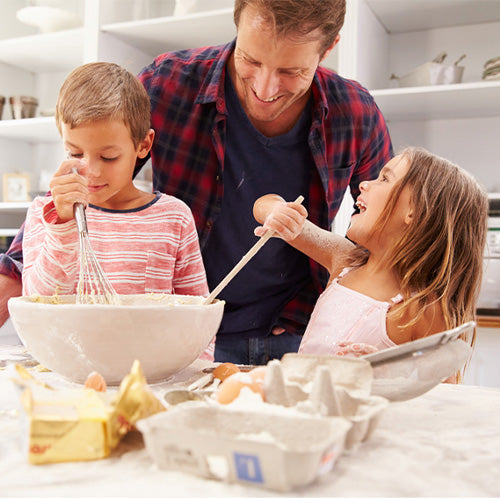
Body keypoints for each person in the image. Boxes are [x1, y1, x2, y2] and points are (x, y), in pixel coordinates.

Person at [0, 0, 392, 363]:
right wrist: (14, 269)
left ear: (328, 48)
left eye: (291, 72)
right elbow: (91, 178)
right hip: (176, 335)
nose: (264, 88)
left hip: (290, 330)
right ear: (237, 22)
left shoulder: (354, 113)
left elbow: (387, 242)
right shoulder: (167, 84)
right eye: (250, 60)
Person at [253, 147, 488, 364]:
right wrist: (276, 211)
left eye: (385, 178)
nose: (365, 183)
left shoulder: (422, 310)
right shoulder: (345, 260)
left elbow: (444, 396)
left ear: (414, 211)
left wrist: (389, 374)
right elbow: (263, 206)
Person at [21, 62, 208, 299]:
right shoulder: (46, 214)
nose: (92, 171)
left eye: (108, 157)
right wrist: (63, 228)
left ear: (143, 145)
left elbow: (197, 315)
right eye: (76, 154)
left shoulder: (174, 217)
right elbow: (37, 304)